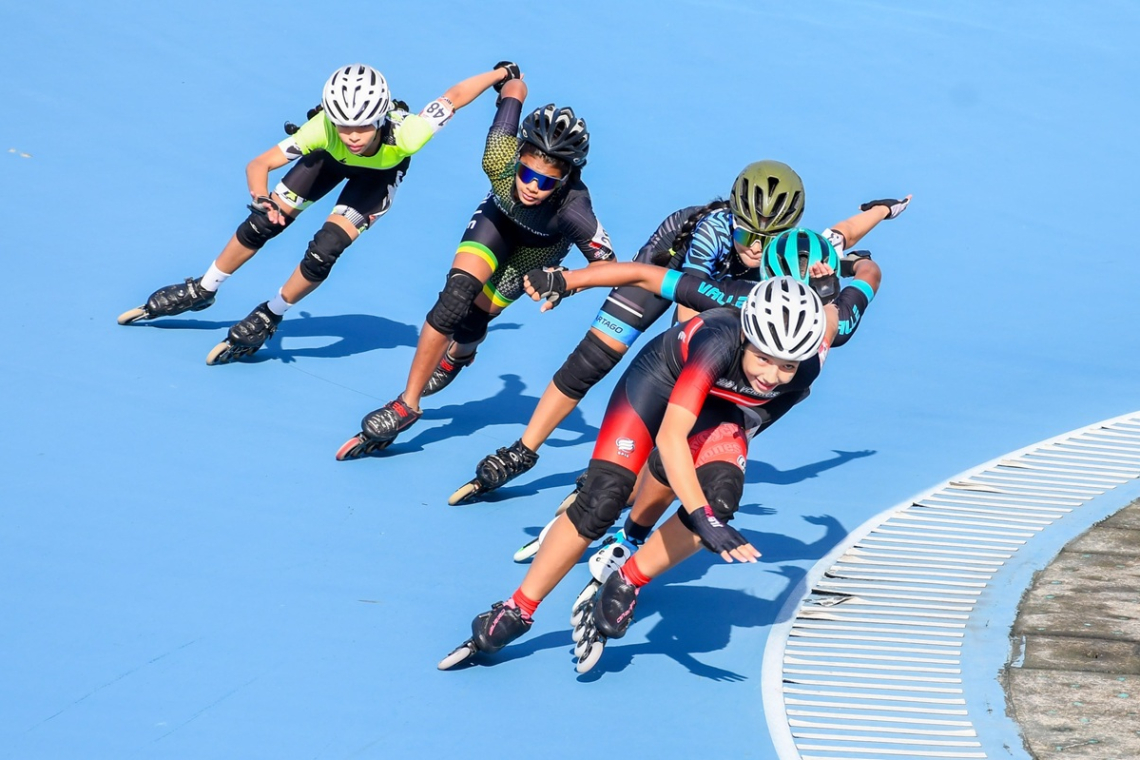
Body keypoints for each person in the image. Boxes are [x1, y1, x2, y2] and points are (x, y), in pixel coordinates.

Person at [448, 157, 909, 501]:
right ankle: (524, 449)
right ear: (734, 217)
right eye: (747, 234)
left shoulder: (791, 247)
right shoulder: (711, 230)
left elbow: (842, 233)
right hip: (663, 270)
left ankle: (622, 462)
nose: (755, 247)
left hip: (726, 293)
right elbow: (686, 317)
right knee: (594, 360)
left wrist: (881, 211)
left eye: (767, 240)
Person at [438, 276, 834, 672]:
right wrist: (568, 280)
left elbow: (838, 314)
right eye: (763, 357)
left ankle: (626, 579)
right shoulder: (718, 343)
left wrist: (708, 508)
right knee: (602, 500)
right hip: (659, 381)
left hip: (726, 407)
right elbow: (671, 433)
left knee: (721, 501)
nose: (771, 375)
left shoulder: (805, 370)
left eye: (787, 365)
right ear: (747, 339)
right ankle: (516, 609)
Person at [118, 62, 517, 364]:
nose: (353, 136)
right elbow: (258, 164)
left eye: (361, 127)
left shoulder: (409, 133)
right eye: (344, 126)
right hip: (327, 161)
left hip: (377, 178)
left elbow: (455, 95)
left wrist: (501, 73)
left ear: (380, 118)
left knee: (325, 248)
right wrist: (261, 197)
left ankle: (271, 313)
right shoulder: (323, 131)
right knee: (263, 223)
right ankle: (204, 288)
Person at [336, 75, 616, 460]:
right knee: (454, 299)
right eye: (527, 174)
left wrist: (564, 283)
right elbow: (515, 91)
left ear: (566, 180)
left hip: (535, 254)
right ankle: (407, 404)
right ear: (516, 158)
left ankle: (460, 355)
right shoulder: (498, 154)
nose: (533, 187)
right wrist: (509, 76)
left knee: (473, 321)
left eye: (546, 182)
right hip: (497, 222)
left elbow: (609, 267)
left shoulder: (576, 211)